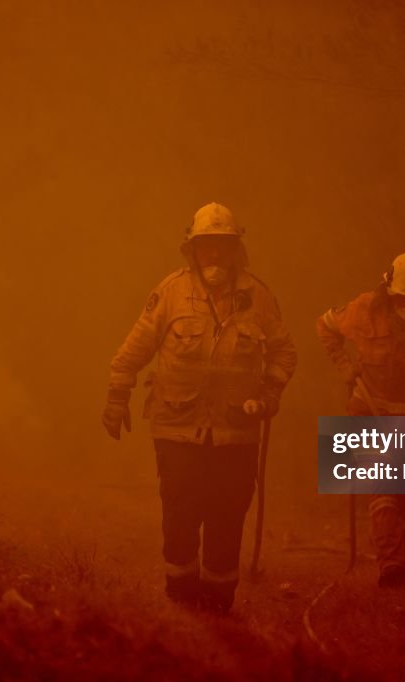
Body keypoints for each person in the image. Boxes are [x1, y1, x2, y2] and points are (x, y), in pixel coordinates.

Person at [103, 202, 297, 612]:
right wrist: (117, 396)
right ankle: (180, 600)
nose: (213, 255)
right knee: (180, 515)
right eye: (205, 246)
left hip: (237, 433)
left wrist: (270, 394)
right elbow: (132, 352)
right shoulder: (170, 293)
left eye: (221, 246)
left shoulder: (258, 297)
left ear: (235, 250)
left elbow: (283, 353)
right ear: (191, 250)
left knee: (227, 518)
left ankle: (217, 607)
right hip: (176, 428)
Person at [316, 250, 405, 588]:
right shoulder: (366, 309)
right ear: (389, 291)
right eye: (403, 299)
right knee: (381, 489)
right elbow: (325, 326)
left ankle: (403, 568)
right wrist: (345, 366)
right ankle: (391, 568)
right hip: (369, 411)